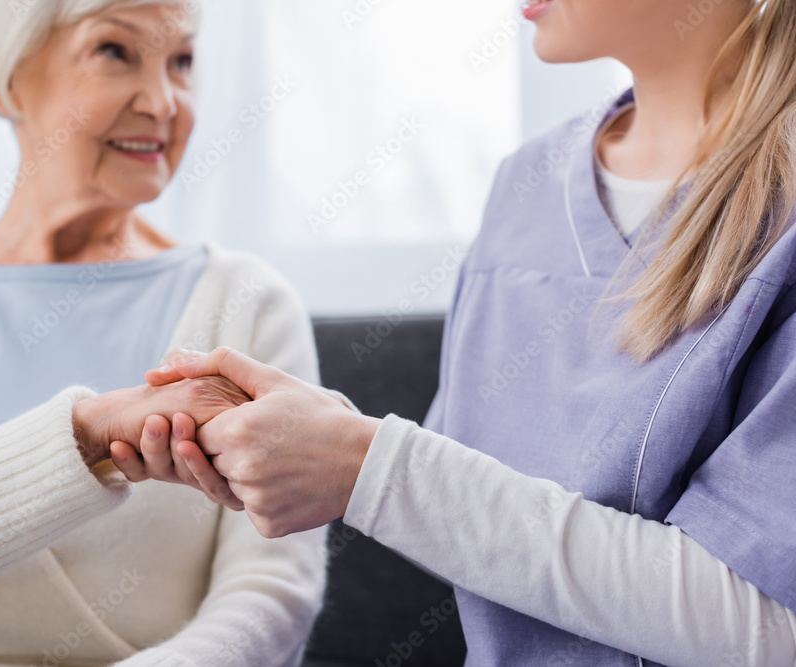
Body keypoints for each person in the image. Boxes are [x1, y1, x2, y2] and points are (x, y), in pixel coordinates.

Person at [133, 0, 796, 664]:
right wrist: (315, 441)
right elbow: (464, 506)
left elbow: (771, 628)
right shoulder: (526, 187)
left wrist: (365, 466)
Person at [0, 1, 326, 666]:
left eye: (182, 61)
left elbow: (275, 587)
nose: (164, 101)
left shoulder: (249, 301)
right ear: (3, 77)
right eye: (115, 51)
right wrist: (86, 433)